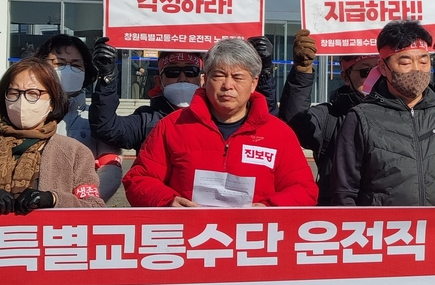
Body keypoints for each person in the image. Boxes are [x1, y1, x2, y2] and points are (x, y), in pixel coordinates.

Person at [279, 29, 435, 205]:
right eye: (365, 72)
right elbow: (292, 126)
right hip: (370, 231)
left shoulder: (433, 112)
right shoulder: (333, 115)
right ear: (345, 77)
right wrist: (302, 73)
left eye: (423, 61)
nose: (374, 76)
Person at [123, 38, 317, 207]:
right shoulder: (172, 126)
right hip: (188, 239)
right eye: (219, 75)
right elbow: (138, 180)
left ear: (254, 83)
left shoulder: (278, 134)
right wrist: (168, 200)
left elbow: (304, 190)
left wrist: (268, 208)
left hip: (255, 239)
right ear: (205, 79)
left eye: (238, 77)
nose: (228, 85)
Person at [332, 20, 435, 206]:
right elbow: (344, 192)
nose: (416, 69)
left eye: (423, 61)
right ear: (383, 67)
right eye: (405, 62)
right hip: (385, 232)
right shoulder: (362, 118)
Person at [89, 36, 278, 153]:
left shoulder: (223, 115)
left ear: (202, 79)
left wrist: (264, 71)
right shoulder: (147, 120)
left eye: (190, 72)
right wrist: (107, 77)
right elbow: (106, 128)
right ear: (159, 82)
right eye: (172, 73)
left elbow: (264, 119)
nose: (182, 78)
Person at [0, 58, 105, 214]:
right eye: (13, 93)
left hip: (48, 237)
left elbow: (95, 206)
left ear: (52, 101)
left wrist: (53, 199)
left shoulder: (75, 152)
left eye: (33, 93)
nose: (21, 101)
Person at [34, 34, 123, 201]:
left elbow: (111, 166)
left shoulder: (98, 119)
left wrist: (83, 202)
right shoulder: (26, 112)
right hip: (30, 211)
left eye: (76, 65)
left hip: (80, 214)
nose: (67, 69)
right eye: (59, 64)